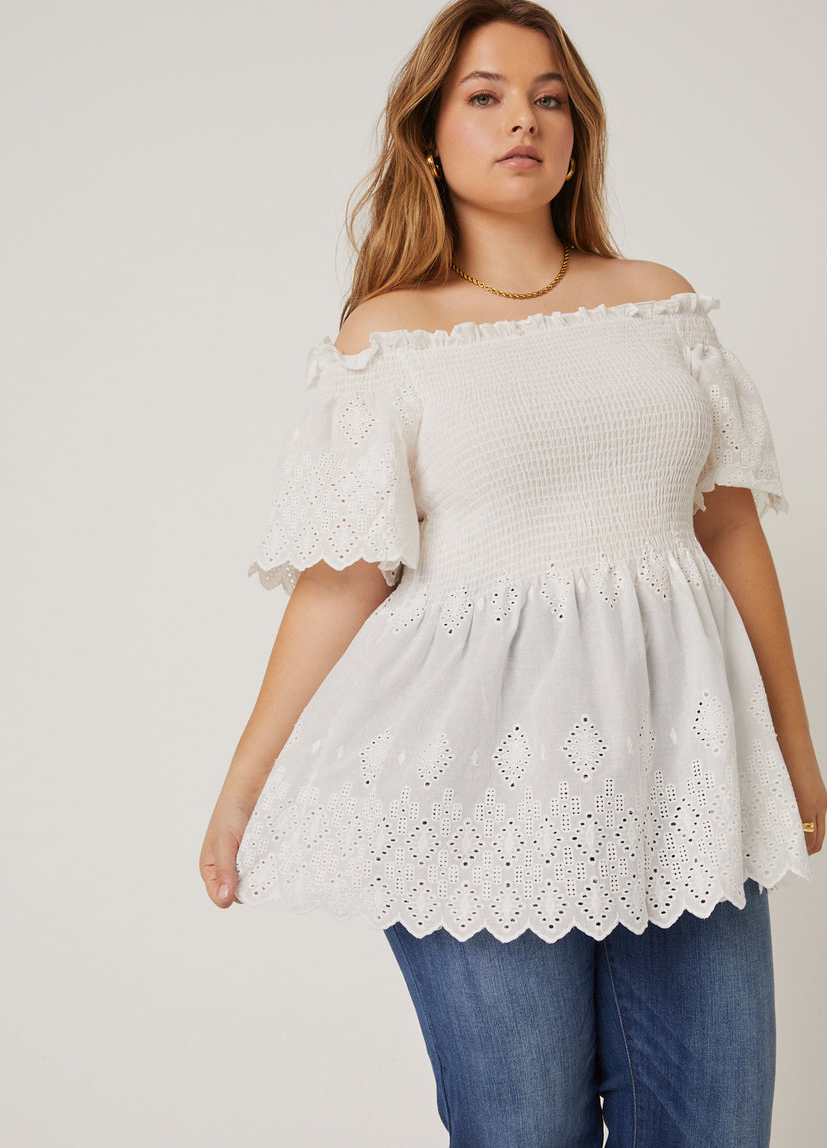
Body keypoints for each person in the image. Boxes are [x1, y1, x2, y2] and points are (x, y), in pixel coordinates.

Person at [200, 1, 825, 1144]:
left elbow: (732, 530)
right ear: (429, 136)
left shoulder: (660, 301)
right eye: (484, 96)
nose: (522, 120)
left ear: (578, 136)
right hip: (474, 793)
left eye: (548, 98)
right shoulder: (391, 334)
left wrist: (792, 739)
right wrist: (243, 788)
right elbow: (344, 581)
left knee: (716, 1122)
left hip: (684, 772)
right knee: (522, 1127)